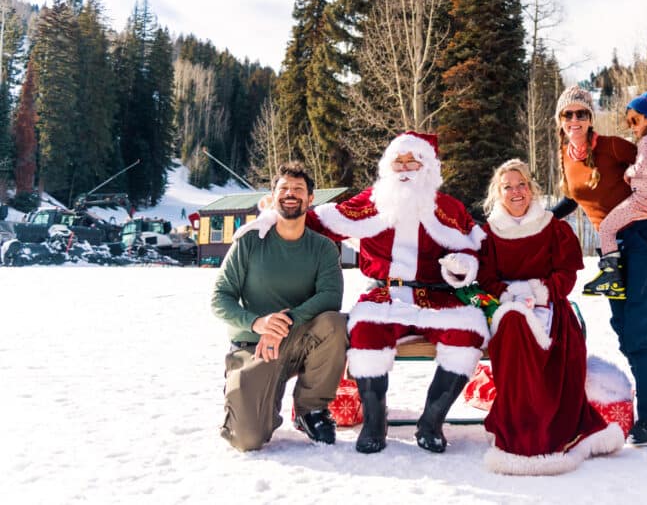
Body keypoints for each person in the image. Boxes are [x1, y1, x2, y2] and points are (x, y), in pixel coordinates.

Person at [239, 132, 489, 454]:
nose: (405, 168)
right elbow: (317, 220)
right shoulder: (372, 201)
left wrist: (462, 265)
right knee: (365, 332)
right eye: (399, 160)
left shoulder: (449, 209)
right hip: (386, 296)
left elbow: (478, 249)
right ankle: (374, 422)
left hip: (437, 297)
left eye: (413, 160)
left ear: (427, 166)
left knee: (468, 332)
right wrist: (274, 215)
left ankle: (431, 423)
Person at [551, 85, 647, 446]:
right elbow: (573, 198)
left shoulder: (612, 146)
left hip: (644, 240)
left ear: (591, 118)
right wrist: (544, 219)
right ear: (559, 121)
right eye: (567, 114)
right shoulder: (566, 153)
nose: (574, 120)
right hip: (614, 248)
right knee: (624, 326)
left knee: (641, 329)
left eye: (582, 113)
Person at [476, 159, 624, 474]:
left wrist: (538, 292)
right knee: (515, 324)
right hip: (507, 308)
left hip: (551, 306)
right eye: (508, 187)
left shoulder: (552, 226)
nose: (516, 192)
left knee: (551, 346)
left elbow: (566, 276)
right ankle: (520, 428)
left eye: (522, 185)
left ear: (532, 188)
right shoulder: (490, 233)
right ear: (498, 193)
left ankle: (550, 427)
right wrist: (511, 294)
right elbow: (486, 280)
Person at [211, 161, 347, 452]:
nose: (290, 193)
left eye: (298, 189)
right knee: (246, 439)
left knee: (335, 323)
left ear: (311, 199)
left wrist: (284, 323)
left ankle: (311, 410)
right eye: (283, 188)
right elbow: (220, 298)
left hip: (299, 341)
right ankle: (249, 395)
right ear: (272, 197)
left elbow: (330, 297)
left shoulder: (322, 248)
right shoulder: (250, 242)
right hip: (254, 347)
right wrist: (258, 324)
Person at [583, 91, 647, 299]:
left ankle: (611, 276)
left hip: (642, 199)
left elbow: (641, 169)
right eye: (628, 122)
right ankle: (613, 273)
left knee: (607, 228)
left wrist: (628, 173)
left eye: (634, 120)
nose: (632, 127)